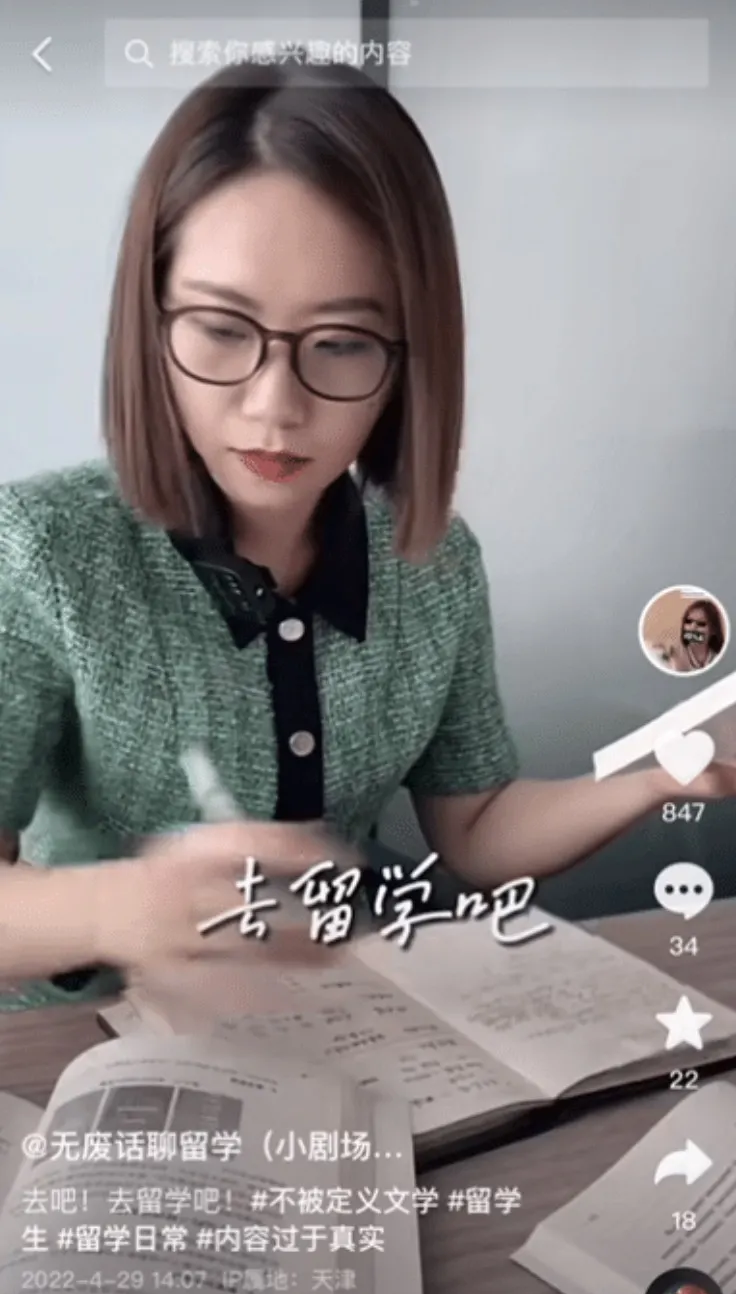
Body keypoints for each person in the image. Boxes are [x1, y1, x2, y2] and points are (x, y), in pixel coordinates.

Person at [2, 60, 736, 1011]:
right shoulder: (42, 550)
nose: (275, 406)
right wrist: (127, 909)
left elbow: (476, 828)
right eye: (221, 329)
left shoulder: (432, 563)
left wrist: (661, 771)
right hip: (81, 1049)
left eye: (342, 343)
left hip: (342, 1022)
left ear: (409, 359)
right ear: (151, 323)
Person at [645, 597, 726, 673]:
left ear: (713, 630)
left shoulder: (720, 656)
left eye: (701, 624)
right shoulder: (673, 653)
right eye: (688, 621)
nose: (692, 627)